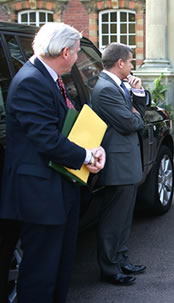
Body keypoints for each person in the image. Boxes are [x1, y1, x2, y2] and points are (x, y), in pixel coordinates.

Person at [0, 22, 105, 302]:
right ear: (65, 52)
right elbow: (45, 139)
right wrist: (85, 156)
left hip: (57, 189)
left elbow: (65, 126)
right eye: (77, 51)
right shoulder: (31, 81)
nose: (77, 58)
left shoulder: (47, 78)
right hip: (40, 195)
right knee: (40, 275)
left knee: (59, 268)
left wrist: (93, 148)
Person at [91, 43, 147, 286]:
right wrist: (135, 114)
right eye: (131, 61)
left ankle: (121, 258)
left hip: (126, 161)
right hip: (117, 162)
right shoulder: (105, 89)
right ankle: (109, 267)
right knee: (113, 219)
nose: (133, 66)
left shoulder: (118, 86)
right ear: (121, 63)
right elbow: (130, 123)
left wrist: (138, 96)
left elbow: (135, 116)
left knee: (124, 217)